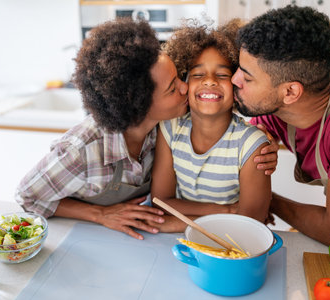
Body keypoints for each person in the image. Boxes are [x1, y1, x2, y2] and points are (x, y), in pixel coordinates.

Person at [15, 18, 278, 240]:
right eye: (174, 87)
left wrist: (263, 133)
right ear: (140, 104)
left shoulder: (165, 126)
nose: (186, 87)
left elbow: (220, 118)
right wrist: (101, 214)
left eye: (180, 76)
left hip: (150, 238)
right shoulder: (82, 149)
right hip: (86, 236)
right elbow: (28, 198)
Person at [231, 5, 330, 245]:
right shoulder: (278, 109)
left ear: (291, 91)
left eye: (247, 76)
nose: (235, 79)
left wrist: (267, 200)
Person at [149, 20, 271, 233]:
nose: (209, 81)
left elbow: (250, 224)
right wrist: (225, 211)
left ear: (237, 85)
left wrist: (179, 222)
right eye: (198, 74)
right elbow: (162, 202)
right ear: (183, 83)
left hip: (232, 247)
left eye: (222, 75)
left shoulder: (251, 144)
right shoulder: (170, 129)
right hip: (185, 242)